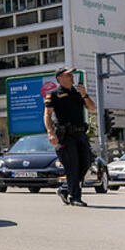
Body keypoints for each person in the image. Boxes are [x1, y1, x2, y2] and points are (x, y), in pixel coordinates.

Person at [43, 67, 96, 206]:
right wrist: (50, 132)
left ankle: (65, 189)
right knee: (72, 166)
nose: (72, 77)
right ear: (60, 78)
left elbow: (92, 108)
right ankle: (74, 197)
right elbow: (47, 114)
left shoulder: (78, 92)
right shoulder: (53, 94)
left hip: (80, 134)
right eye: (68, 75)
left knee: (86, 163)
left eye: (72, 74)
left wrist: (85, 95)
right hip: (66, 136)